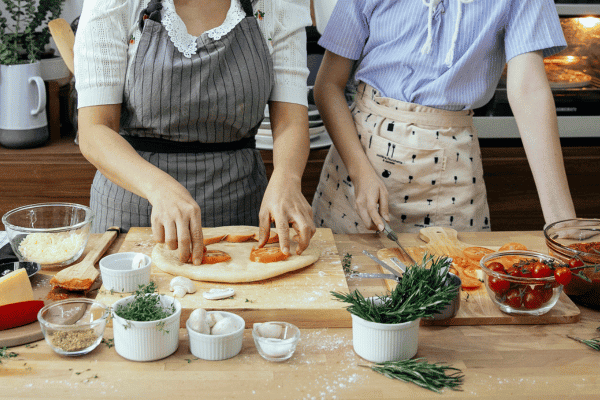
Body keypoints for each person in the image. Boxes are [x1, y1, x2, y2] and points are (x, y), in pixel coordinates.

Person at [74, 0, 316, 265]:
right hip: (133, 214)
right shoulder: (116, 5)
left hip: (239, 210)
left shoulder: (276, 6)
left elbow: (290, 121)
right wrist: (159, 188)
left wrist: (288, 178)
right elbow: (95, 129)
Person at [311, 0, 577, 234]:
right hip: (359, 162)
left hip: (454, 170)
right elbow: (327, 86)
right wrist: (360, 174)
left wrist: (562, 223)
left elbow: (529, 92)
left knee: (458, 286)